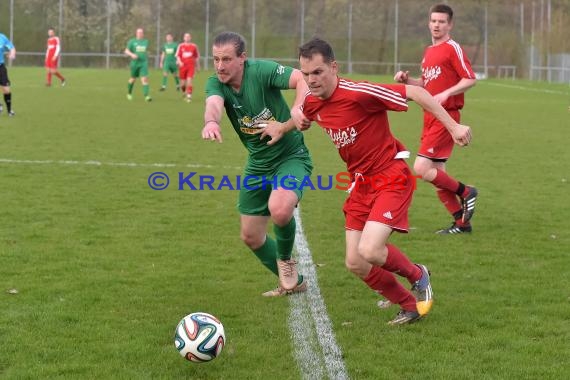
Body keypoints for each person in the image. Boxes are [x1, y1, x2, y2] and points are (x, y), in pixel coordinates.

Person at [296, 38, 473, 325]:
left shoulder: (358, 93)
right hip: (360, 184)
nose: (311, 80)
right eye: (305, 74)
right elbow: (304, 115)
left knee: (371, 250)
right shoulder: (313, 102)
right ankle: (409, 305)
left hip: (390, 177)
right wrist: (288, 124)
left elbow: (415, 92)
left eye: (317, 72)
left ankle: (419, 274)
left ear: (333, 67)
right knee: (355, 261)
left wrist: (453, 127)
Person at [201, 32, 313, 297]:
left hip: (291, 156)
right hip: (258, 164)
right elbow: (213, 104)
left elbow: (301, 78)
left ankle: (286, 262)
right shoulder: (216, 83)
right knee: (251, 236)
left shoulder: (261, 71)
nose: (220, 66)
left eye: (226, 59)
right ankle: (294, 282)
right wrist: (211, 122)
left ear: (242, 58)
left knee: (280, 209)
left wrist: (297, 110)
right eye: (215, 59)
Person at [394, 3, 477, 234]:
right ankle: (462, 224)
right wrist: (407, 82)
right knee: (438, 174)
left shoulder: (453, 48)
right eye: (433, 21)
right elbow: (425, 84)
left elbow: (470, 78)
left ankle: (466, 192)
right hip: (429, 117)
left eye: (441, 21)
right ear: (429, 23)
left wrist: (447, 93)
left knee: (421, 168)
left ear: (450, 24)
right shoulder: (429, 52)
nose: (437, 25)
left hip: (446, 116)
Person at [124, 28, 151, 102]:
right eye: (138, 32)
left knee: (144, 79)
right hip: (135, 63)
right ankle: (129, 93)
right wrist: (132, 54)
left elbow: (144, 51)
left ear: (143, 34)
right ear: (136, 33)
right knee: (133, 79)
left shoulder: (146, 41)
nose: (140, 34)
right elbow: (126, 51)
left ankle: (147, 96)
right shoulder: (132, 41)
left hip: (143, 63)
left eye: (141, 33)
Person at [176, 33, 200, 102]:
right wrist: (179, 62)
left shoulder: (194, 46)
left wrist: (198, 66)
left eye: (188, 36)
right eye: (186, 36)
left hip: (191, 66)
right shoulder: (181, 46)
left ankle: (189, 96)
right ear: (184, 38)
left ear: (190, 38)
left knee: (189, 81)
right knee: (182, 84)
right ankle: (184, 92)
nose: (187, 38)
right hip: (182, 66)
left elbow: (196, 57)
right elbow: (177, 56)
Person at [0, 32, 16, 117]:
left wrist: (11, 55)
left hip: (1, 67)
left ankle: (9, 110)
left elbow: (12, 48)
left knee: (6, 90)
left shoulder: (2, 37)